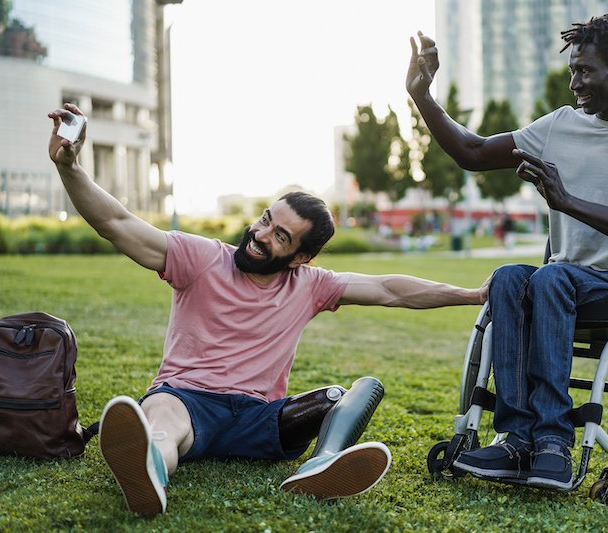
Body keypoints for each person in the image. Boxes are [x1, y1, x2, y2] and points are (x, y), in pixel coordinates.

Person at [47, 103, 489, 516]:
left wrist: (470, 295)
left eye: (280, 236)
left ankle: (320, 466)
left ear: (300, 258)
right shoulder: (201, 258)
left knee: (351, 391)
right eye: (265, 220)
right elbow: (118, 224)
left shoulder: (310, 285)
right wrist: (70, 167)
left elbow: (391, 289)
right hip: (188, 401)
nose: (260, 235)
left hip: (261, 421)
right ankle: (150, 470)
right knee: (161, 418)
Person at [406, 12, 608, 491]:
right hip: (559, 279)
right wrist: (422, 96)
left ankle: (553, 444)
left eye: (585, 71)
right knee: (507, 277)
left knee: (549, 277)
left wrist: (568, 203)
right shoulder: (561, 126)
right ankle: (518, 439)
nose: (574, 81)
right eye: (572, 70)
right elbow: (473, 153)